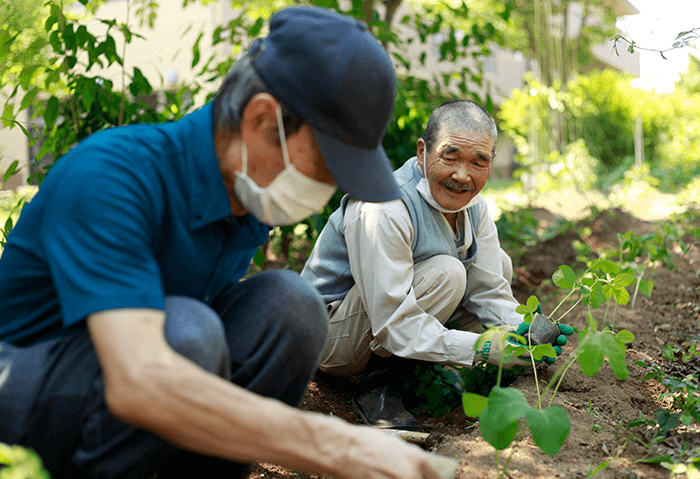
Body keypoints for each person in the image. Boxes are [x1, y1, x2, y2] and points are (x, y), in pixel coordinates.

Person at [0, 7, 447, 479]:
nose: (332, 185)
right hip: (23, 407)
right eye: (328, 164)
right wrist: (339, 446)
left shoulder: (244, 197)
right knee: (188, 334)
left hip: (110, 389)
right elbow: (141, 380)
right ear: (261, 119)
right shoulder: (111, 177)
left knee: (292, 307)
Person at [301, 100, 571, 431]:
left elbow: (490, 291)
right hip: (329, 337)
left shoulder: (474, 207)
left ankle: (419, 368)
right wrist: (482, 348)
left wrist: (526, 329)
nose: (462, 174)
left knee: (496, 262)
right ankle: (378, 387)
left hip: (379, 322)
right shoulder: (384, 206)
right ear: (422, 152)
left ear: (491, 163)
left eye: (478, 162)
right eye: (450, 156)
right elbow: (392, 322)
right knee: (448, 272)